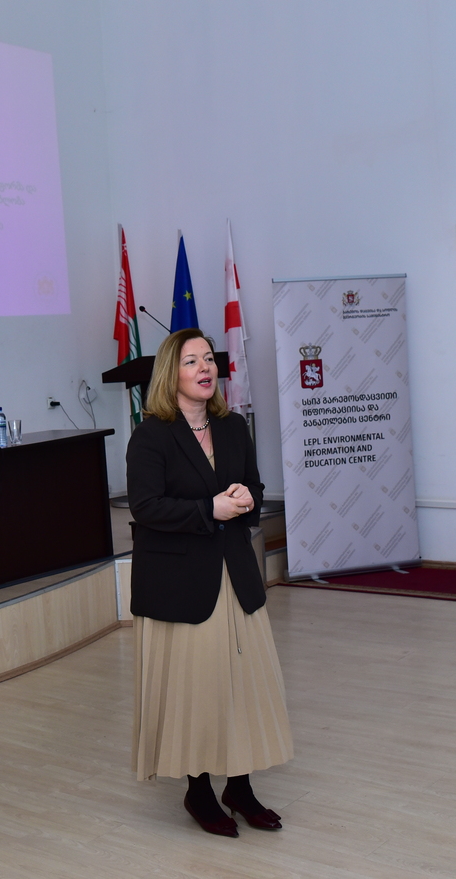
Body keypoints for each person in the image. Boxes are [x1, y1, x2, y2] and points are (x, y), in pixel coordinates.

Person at [127, 328, 294, 838]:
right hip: (181, 583)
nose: (205, 368)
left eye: (208, 359)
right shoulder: (151, 435)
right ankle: (198, 790)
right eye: (191, 361)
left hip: (234, 575)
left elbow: (255, 487)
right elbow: (146, 507)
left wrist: (245, 498)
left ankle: (239, 787)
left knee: (241, 685)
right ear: (170, 374)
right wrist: (209, 509)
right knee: (196, 690)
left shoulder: (233, 426)